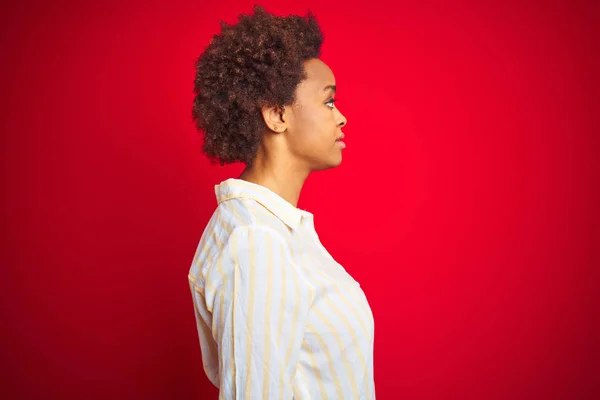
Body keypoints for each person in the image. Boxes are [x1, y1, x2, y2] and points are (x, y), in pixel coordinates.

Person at [188, 5, 375, 399]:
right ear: (277, 115)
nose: (341, 118)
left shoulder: (277, 231)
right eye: (328, 102)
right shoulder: (255, 242)